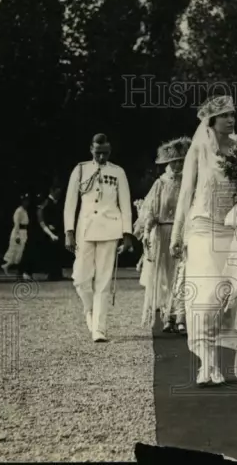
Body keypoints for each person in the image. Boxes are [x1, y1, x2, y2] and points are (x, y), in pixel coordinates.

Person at [169, 95, 237, 387]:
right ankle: (208, 364)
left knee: (226, 296)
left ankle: (215, 358)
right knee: (204, 299)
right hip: (202, 227)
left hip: (231, 229)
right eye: (225, 116)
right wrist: (177, 234)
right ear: (212, 121)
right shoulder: (199, 148)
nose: (231, 120)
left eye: (233, 114)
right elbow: (185, 193)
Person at [64, 133, 133, 343]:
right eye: (98, 152)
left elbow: (125, 204)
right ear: (91, 150)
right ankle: (89, 311)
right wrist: (69, 232)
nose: (102, 157)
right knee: (80, 278)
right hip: (85, 230)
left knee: (103, 282)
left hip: (110, 229)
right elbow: (70, 203)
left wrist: (127, 234)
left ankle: (99, 329)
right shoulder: (81, 169)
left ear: (110, 151)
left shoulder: (118, 172)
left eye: (105, 153)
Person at [135, 136, 190, 334]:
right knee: (165, 276)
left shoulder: (189, 182)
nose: (177, 165)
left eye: (181, 161)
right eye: (173, 161)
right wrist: (147, 226)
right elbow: (149, 209)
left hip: (182, 232)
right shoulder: (161, 183)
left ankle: (180, 316)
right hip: (163, 232)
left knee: (182, 274)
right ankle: (167, 315)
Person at [37, 184, 66, 280]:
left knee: (58, 253)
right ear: (52, 191)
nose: (59, 194)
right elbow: (42, 216)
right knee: (51, 253)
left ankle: (57, 273)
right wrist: (49, 229)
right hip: (50, 231)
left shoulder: (57, 202)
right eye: (57, 192)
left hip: (58, 230)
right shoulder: (46, 202)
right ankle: (52, 274)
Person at [2, 194, 31, 278]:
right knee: (17, 252)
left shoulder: (25, 211)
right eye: (25, 201)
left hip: (24, 232)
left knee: (20, 253)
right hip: (19, 232)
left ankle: (8, 267)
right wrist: (17, 236)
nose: (27, 202)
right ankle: (19, 272)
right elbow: (17, 224)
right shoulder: (19, 211)